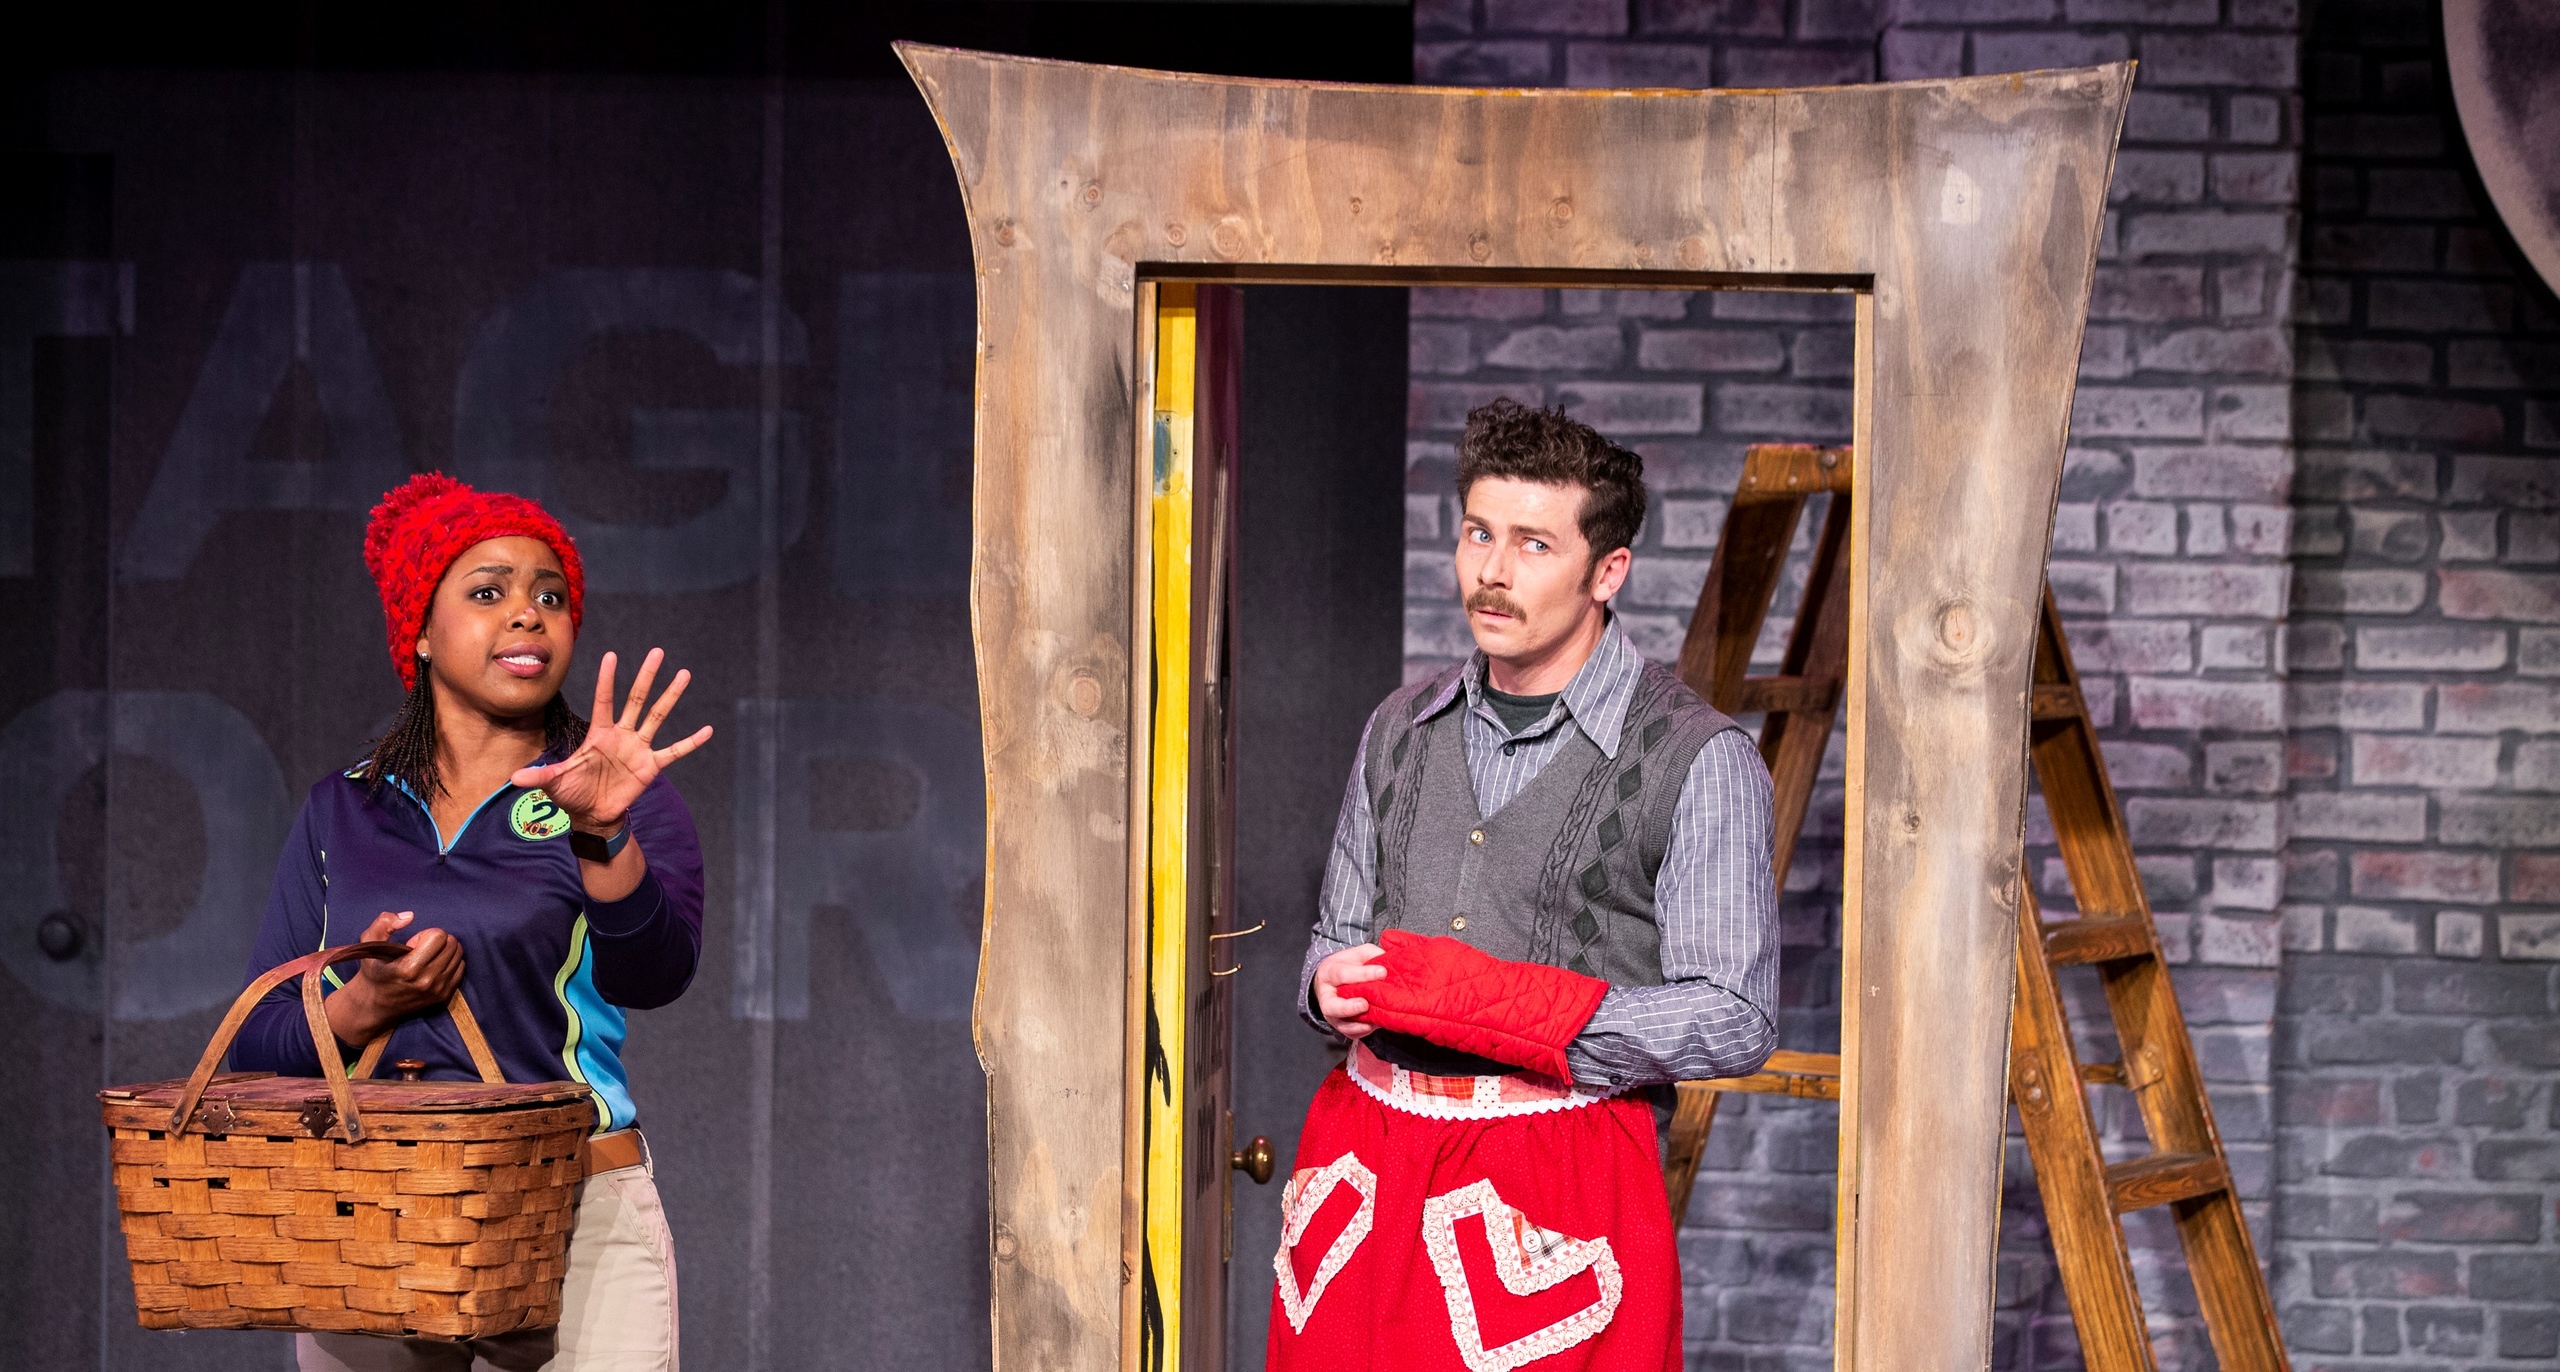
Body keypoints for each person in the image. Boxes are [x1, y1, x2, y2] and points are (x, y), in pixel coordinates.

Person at [1268, 399, 1779, 1372]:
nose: (1492, 572)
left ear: (1607, 571)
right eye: (1478, 534)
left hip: (1553, 1194)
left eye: (1534, 545)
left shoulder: (1699, 759)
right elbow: (1334, 937)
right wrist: (1327, 984)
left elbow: (1736, 1017)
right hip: (1364, 1170)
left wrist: (1516, 1013)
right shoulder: (1398, 726)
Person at [233, 472, 711, 1372]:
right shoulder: (345, 807)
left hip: (576, 1209)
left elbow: (656, 975)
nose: (528, 613)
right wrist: (364, 1004)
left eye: (551, 597)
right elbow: (257, 1042)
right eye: (488, 592)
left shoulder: (614, 789)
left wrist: (602, 834)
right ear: (419, 631)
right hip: (372, 1208)